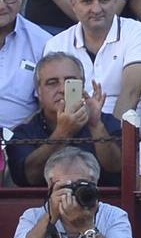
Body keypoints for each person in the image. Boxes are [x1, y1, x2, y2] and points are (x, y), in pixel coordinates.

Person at [4, 146, 134, 238]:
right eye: (66, 187)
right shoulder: (33, 217)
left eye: (80, 185)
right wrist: (50, 218)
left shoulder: (114, 216)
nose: (72, 194)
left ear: (95, 184)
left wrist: (87, 228)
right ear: (50, 186)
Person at [43, 0, 141, 126]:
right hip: (75, 135)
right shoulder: (56, 44)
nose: (96, 9)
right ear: (73, 4)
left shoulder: (137, 32)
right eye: (87, 1)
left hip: (125, 136)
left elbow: (131, 93)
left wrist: (110, 141)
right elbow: (51, 102)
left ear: (115, 0)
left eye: (104, 0)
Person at [5, 52, 121, 187]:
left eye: (69, 82)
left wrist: (95, 125)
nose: (62, 89)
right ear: (39, 92)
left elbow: (117, 168)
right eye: (52, 83)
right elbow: (28, 177)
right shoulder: (23, 133)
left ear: (82, 86)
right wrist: (63, 133)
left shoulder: (106, 123)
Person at [0, 0, 53, 131]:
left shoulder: (43, 42)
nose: (1, 6)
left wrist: (15, 137)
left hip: (20, 142)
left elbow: (47, 107)